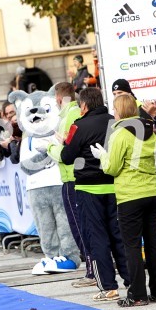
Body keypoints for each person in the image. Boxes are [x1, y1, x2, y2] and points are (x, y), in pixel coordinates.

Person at [95, 93, 156, 307]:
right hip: (151, 193)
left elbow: (112, 168)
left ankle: (137, 295)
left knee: (132, 246)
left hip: (130, 195)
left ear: (119, 111)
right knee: (154, 242)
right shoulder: (150, 132)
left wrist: (103, 157)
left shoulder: (119, 134)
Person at [60, 88, 130, 302]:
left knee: (97, 238)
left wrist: (64, 143)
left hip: (88, 188)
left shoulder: (78, 126)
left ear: (84, 105)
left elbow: (67, 157)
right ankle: (132, 281)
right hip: (114, 185)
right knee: (120, 237)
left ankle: (108, 286)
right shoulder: (114, 122)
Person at [45, 82, 95, 287]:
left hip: (72, 176)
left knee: (79, 225)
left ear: (58, 99)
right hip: (76, 175)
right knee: (82, 224)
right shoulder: (71, 114)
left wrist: (49, 148)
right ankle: (94, 268)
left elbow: (68, 151)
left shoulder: (69, 116)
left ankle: (92, 270)